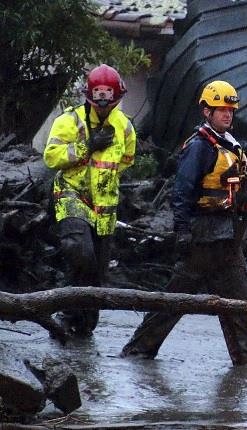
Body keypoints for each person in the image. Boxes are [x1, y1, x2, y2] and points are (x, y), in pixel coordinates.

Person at [120, 80, 247, 366]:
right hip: (202, 238)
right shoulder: (199, 147)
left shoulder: (232, 146)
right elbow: (182, 192)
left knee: (239, 302)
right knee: (176, 300)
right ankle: (137, 351)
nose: (227, 115)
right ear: (206, 112)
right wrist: (183, 231)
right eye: (221, 109)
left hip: (227, 238)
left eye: (230, 110)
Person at [43, 64, 136, 337]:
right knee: (79, 251)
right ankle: (65, 312)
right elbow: (51, 156)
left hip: (105, 205)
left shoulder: (125, 126)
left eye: (109, 93)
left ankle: (83, 325)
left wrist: (103, 180)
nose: (104, 99)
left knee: (96, 268)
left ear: (116, 95)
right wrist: (87, 146)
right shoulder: (70, 121)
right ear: (90, 94)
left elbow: (127, 160)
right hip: (70, 194)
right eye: (100, 93)